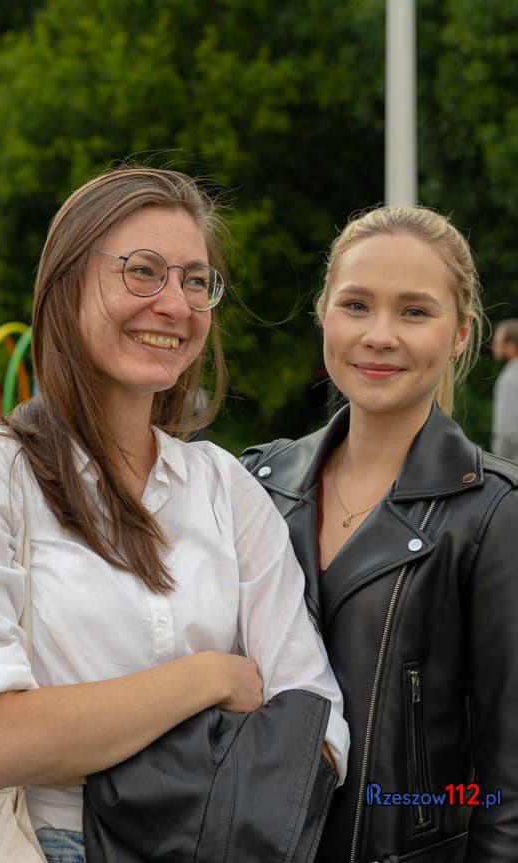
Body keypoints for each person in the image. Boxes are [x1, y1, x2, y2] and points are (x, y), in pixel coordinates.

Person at [0, 167, 349, 863]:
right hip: (40, 842)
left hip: (215, 843)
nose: (175, 303)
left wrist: (88, 736)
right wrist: (209, 678)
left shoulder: (224, 486)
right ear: (67, 285)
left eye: (196, 281)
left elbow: (317, 725)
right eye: (142, 271)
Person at [242, 206, 518, 863]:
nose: (379, 335)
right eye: (356, 305)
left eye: (414, 311)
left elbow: (508, 788)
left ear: (460, 334)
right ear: (324, 313)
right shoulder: (256, 483)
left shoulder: (493, 513)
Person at [491, 318, 518, 460]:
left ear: (511, 345)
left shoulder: (510, 379)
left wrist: (500, 461)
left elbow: (507, 432)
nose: (494, 346)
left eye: (498, 342)